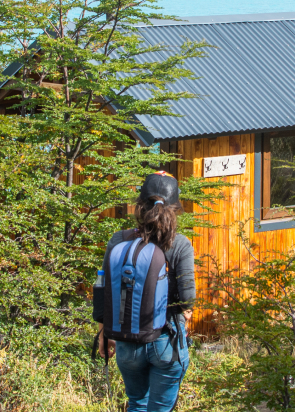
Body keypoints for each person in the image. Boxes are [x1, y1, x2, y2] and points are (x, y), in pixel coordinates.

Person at [95, 172, 196, 412]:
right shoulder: (180, 244)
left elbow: (103, 288)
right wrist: (186, 315)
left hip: (127, 340)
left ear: (139, 207)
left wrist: (103, 333)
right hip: (167, 341)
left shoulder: (118, 240)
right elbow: (188, 296)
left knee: (137, 404)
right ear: (176, 209)